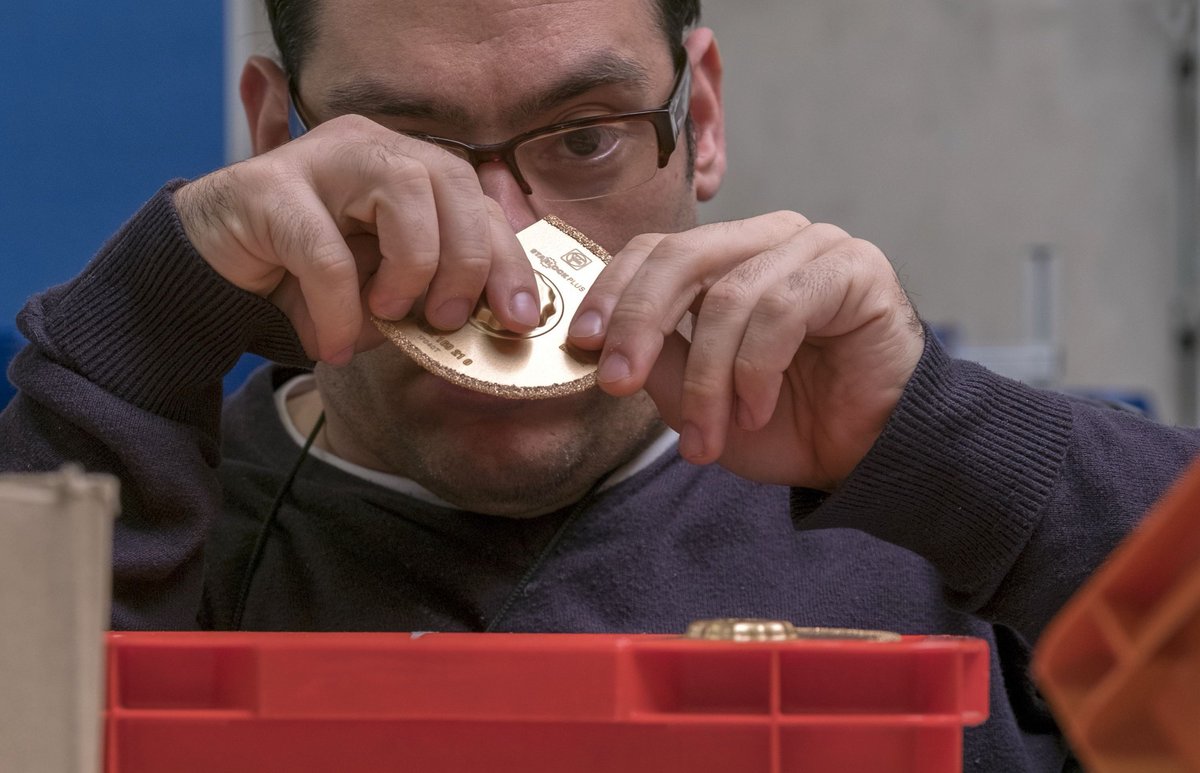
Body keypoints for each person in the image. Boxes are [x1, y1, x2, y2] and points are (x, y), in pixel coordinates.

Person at [3, 0, 1198, 768]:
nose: (499, 254)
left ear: (703, 115)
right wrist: (133, 341)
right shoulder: (138, 517)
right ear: (275, 138)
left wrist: (956, 445)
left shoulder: (949, 522)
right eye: (398, 144)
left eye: (585, 136)